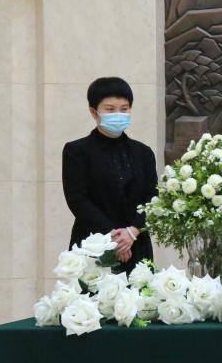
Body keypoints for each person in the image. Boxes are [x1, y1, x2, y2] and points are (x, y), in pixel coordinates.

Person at [62, 77, 157, 271]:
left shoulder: (144, 152)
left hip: (136, 243)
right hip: (93, 244)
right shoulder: (76, 151)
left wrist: (132, 232)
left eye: (124, 109)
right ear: (94, 112)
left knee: (141, 290)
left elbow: (152, 197)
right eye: (110, 109)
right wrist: (112, 236)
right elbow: (78, 200)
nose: (118, 114)